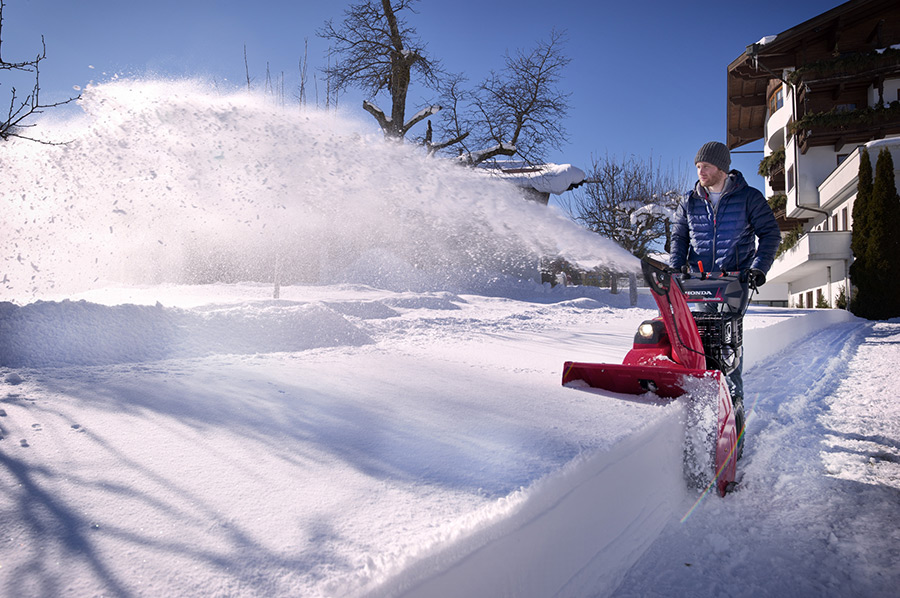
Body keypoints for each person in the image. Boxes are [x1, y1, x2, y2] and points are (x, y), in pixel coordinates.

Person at [670, 141, 780, 421]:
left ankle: (734, 400)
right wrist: (676, 266)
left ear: (721, 168)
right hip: (700, 282)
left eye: (706, 166)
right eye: (698, 166)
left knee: (727, 341)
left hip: (735, 281)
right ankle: (704, 396)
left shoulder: (749, 197)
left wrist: (758, 268)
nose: (700, 171)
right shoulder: (690, 201)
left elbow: (770, 234)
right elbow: (679, 237)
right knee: (701, 338)